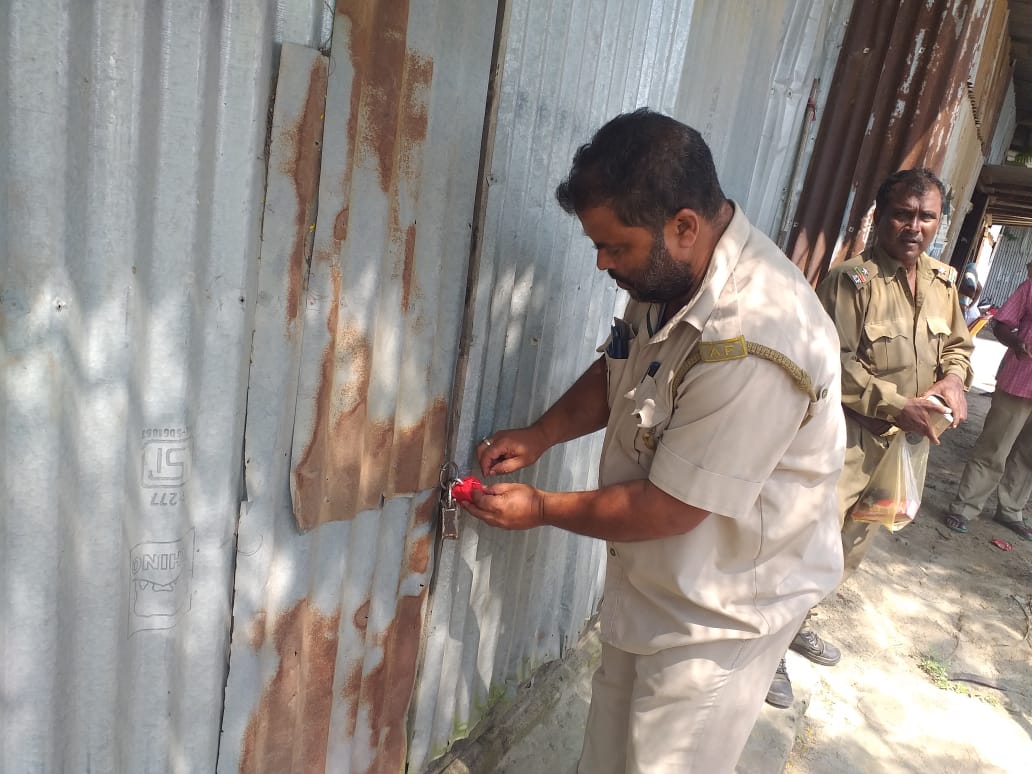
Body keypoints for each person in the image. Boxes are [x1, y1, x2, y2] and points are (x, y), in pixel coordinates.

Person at [460, 109, 845, 773]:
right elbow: (626, 363)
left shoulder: (754, 338)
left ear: (686, 225)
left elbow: (670, 508)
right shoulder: (669, 275)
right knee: (609, 757)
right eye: (597, 246)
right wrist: (543, 433)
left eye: (616, 249)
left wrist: (543, 508)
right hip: (660, 579)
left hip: (723, 611)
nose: (604, 265)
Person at [766, 168, 974, 708]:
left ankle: (793, 627)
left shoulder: (943, 282)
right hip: (847, 441)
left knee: (850, 551)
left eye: (926, 216)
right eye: (903, 214)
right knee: (807, 545)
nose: (914, 226)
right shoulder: (850, 281)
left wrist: (954, 378)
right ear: (881, 216)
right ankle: (766, 654)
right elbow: (829, 363)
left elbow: (957, 346)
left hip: (903, 451)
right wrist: (895, 404)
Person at [942, 276, 1032, 541]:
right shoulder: (1029, 285)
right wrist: (1016, 343)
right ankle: (964, 508)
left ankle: (1011, 511)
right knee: (994, 448)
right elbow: (1002, 323)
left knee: (1029, 456)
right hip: (1019, 379)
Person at [959, 260, 983, 326]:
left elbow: (972, 289)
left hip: (960, 306)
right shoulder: (971, 269)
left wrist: (969, 304)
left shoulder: (969, 271)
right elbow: (979, 288)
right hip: (962, 307)